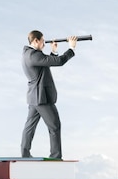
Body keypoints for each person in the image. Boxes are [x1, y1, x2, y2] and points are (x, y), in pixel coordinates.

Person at [21, 31, 77, 159]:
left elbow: (46, 63)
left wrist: (54, 52)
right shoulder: (34, 55)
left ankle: (25, 154)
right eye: (42, 41)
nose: (44, 44)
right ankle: (56, 156)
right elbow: (59, 62)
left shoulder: (28, 54)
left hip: (34, 97)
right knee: (54, 126)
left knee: (30, 126)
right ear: (35, 40)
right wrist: (71, 48)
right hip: (42, 98)